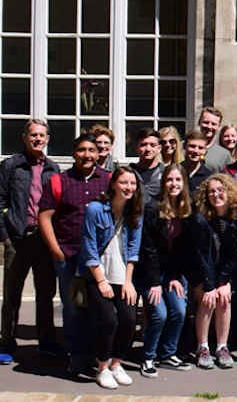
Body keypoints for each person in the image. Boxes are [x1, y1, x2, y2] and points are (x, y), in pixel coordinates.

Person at [37, 133, 111, 374]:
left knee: (100, 310)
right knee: (74, 309)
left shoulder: (109, 180)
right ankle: (77, 357)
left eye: (92, 150)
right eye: (82, 150)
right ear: (73, 153)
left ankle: (99, 357)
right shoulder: (59, 181)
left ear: (99, 153)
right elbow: (45, 216)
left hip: (100, 260)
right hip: (70, 257)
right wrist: (56, 251)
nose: (87, 155)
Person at [0, 120, 61, 359]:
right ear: (25, 137)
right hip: (17, 239)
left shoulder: (53, 169)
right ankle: (7, 342)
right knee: (12, 293)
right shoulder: (11, 166)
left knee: (46, 292)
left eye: (42, 135)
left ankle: (46, 341)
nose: (37, 139)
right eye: (33, 135)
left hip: (44, 240)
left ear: (47, 139)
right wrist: (5, 236)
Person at [81, 167, 143, 389]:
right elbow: (89, 248)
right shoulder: (96, 209)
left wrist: (128, 281)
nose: (129, 187)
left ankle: (116, 364)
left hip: (121, 275)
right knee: (108, 320)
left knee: (129, 320)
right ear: (114, 184)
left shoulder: (135, 211)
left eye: (132, 183)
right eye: (124, 182)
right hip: (97, 274)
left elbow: (133, 249)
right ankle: (102, 367)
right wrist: (101, 281)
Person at [187, 174, 237, 370]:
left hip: (226, 270)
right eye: (212, 191)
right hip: (202, 269)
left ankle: (222, 346)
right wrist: (209, 285)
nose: (216, 195)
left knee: (224, 299)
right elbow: (200, 254)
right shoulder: (200, 219)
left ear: (229, 191)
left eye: (220, 190)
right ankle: (202, 346)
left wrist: (223, 282)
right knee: (208, 299)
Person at [138, 163, 194, 377]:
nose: (174, 184)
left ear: (184, 183)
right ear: (163, 183)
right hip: (150, 273)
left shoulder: (187, 210)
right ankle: (148, 357)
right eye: (169, 180)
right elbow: (148, 249)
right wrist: (154, 282)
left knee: (179, 310)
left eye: (178, 180)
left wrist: (174, 277)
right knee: (159, 314)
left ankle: (168, 353)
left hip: (172, 274)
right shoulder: (152, 208)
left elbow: (183, 250)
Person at [131, 127, 164, 206]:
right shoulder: (129, 173)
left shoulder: (165, 173)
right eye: (143, 145)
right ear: (136, 147)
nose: (148, 149)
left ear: (159, 148)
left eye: (152, 145)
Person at [199, 107, 232, 174]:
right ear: (199, 122)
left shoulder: (224, 155)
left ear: (219, 127)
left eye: (213, 124)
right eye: (206, 122)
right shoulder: (183, 148)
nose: (209, 127)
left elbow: (228, 181)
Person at [181, 130, 212, 201]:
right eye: (192, 146)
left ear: (205, 151)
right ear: (184, 146)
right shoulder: (176, 172)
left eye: (200, 148)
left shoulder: (209, 177)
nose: (196, 151)